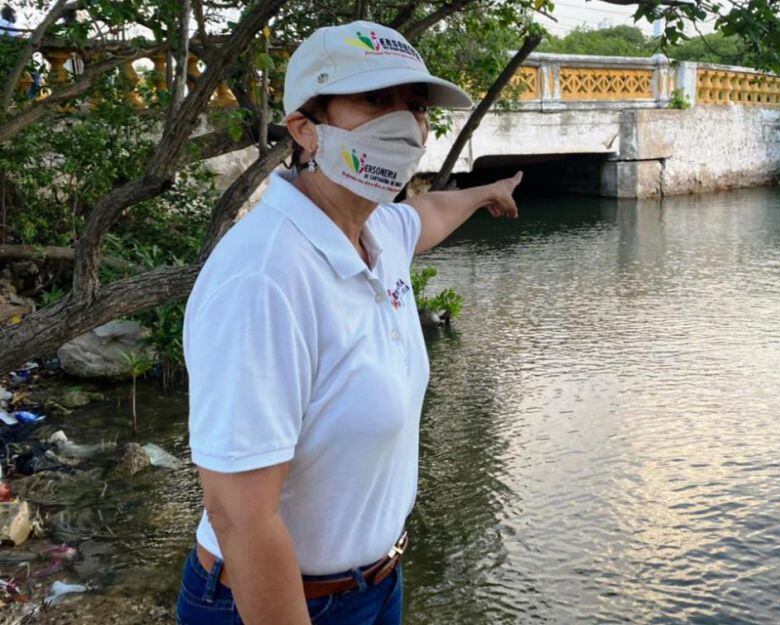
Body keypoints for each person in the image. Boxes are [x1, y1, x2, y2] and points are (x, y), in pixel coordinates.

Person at [175, 20, 522, 625]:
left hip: (375, 586)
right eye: (375, 100)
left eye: (414, 107)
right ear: (306, 128)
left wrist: (483, 192)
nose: (405, 124)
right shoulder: (265, 278)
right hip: (275, 601)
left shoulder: (375, 232)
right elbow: (240, 517)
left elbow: (430, 212)